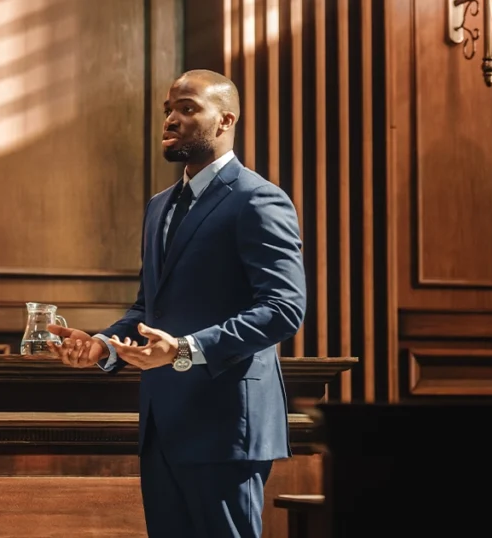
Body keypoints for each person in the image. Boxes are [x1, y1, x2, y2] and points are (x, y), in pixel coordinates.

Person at [47, 69, 307, 538]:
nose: (171, 119)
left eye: (188, 108)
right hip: (163, 424)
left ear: (225, 120)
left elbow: (284, 308)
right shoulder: (159, 206)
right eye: (169, 109)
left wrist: (186, 349)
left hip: (227, 426)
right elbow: (151, 308)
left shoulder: (259, 200)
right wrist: (103, 345)